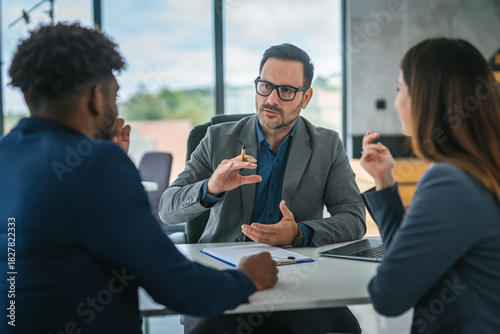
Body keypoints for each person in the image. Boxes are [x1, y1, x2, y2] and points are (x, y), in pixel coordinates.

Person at [0, 23, 278, 334]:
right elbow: (180, 288)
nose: (115, 108)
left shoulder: (6, 153)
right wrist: (246, 278)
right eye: (114, 96)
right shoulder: (97, 164)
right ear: (95, 97)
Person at [160, 44, 364, 333]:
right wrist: (211, 187)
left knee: (344, 330)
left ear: (306, 97)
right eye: (265, 86)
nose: (271, 99)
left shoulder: (327, 145)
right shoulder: (217, 138)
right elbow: (167, 210)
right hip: (224, 278)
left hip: (297, 279)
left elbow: (354, 218)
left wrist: (299, 233)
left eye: (286, 91)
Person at [360, 38, 500, 333]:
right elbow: (416, 263)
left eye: (400, 89)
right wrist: (385, 181)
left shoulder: (450, 181)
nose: (397, 101)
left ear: (423, 98)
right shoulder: (480, 172)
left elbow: (388, 294)